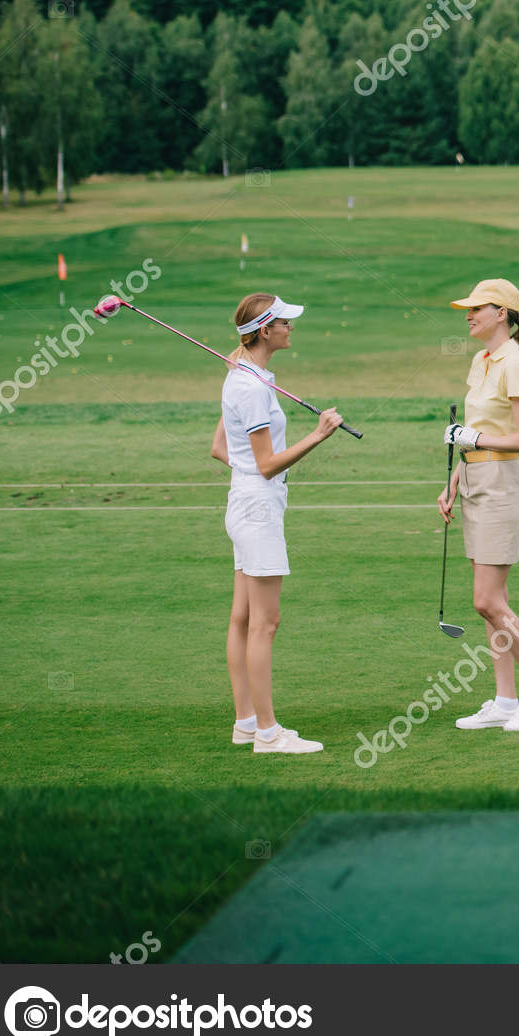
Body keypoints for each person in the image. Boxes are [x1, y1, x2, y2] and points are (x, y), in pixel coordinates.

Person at [209, 293, 344, 754]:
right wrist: (319, 434)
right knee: (265, 623)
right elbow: (266, 464)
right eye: (285, 322)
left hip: (245, 503)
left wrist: (246, 473)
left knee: (244, 618)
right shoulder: (250, 385)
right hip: (258, 508)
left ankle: (246, 723)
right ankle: (267, 733)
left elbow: (220, 448)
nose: (291, 328)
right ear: (266, 331)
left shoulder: (247, 377)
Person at [440, 278, 519, 732]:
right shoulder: (481, 359)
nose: (469, 315)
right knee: (492, 601)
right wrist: (454, 478)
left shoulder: (514, 363)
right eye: (468, 309)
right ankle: (506, 701)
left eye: (478, 308)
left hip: (500, 481)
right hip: (474, 477)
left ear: (503, 315)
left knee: (488, 600)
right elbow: (475, 426)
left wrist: (475, 440)